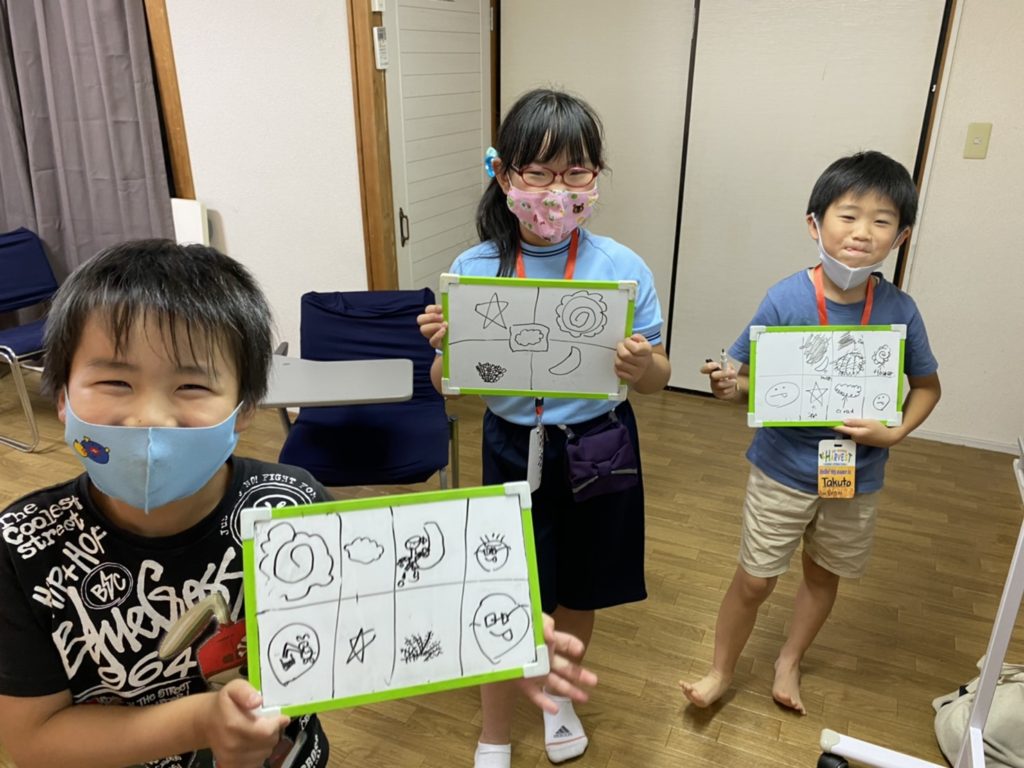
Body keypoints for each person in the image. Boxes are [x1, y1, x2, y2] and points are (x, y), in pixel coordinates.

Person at [0, 240, 597, 768]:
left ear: (244, 409)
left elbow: (383, 597)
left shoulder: (291, 504)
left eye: (192, 385)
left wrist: (494, 625)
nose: (150, 418)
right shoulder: (21, 547)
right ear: (62, 396)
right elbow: (32, 740)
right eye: (115, 382)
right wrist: (199, 722)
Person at [418, 88, 671, 768]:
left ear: (595, 177)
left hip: (599, 445)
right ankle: (494, 730)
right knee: (504, 590)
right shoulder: (474, 270)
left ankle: (559, 697)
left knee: (581, 586)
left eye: (575, 172)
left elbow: (656, 378)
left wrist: (642, 364)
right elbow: (450, 386)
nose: (557, 192)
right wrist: (446, 349)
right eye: (538, 173)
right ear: (505, 176)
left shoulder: (622, 268)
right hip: (510, 445)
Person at [680, 151, 941, 715]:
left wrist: (894, 432)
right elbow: (745, 380)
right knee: (755, 579)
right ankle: (720, 670)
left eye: (881, 221)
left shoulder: (900, 310)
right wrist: (728, 386)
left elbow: (926, 387)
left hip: (855, 474)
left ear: (901, 237)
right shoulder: (787, 298)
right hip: (781, 469)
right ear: (814, 224)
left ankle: (789, 660)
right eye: (848, 215)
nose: (862, 232)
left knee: (823, 575)